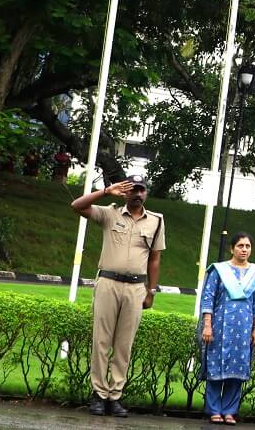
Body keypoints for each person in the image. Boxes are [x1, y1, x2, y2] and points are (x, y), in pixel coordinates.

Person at [70, 173, 164, 417]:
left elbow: (154, 259)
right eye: (133, 189)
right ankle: (99, 394)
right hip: (108, 283)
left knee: (124, 345)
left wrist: (151, 291)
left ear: (146, 193)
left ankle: (115, 395)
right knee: (101, 341)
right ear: (125, 193)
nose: (137, 194)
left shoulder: (156, 221)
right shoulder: (110, 213)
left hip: (135, 288)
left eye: (141, 189)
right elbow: (77, 205)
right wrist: (105, 192)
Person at [199, 232, 255, 425]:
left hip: (244, 328)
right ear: (232, 248)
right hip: (219, 326)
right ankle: (214, 410)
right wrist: (207, 325)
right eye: (240, 246)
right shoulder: (219, 270)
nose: (244, 250)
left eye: (247, 246)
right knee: (216, 365)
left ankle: (230, 411)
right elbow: (208, 298)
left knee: (238, 368)